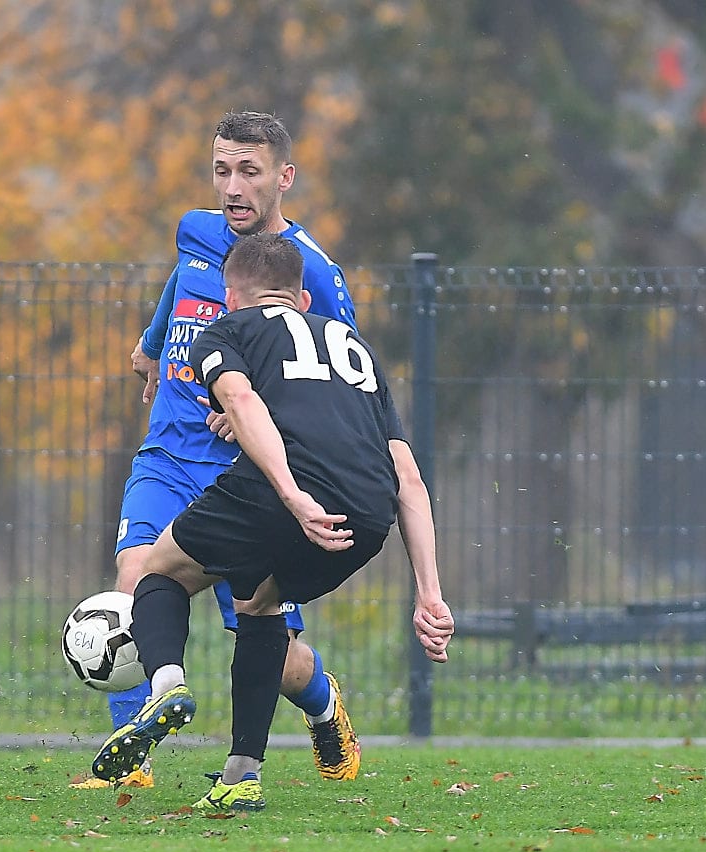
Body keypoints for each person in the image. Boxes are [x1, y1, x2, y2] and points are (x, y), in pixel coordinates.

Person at [88, 233, 454, 811]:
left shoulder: (226, 330)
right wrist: (429, 592)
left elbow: (241, 400)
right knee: (260, 603)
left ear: (231, 298)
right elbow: (407, 475)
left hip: (288, 497)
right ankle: (241, 774)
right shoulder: (354, 348)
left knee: (159, 572)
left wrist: (292, 495)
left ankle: (166, 687)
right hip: (365, 518)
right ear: (302, 299)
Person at [72, 110, 364, 790]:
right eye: (222, 170)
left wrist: (260, 417)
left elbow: (336, 373)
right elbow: (183, 280)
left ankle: (323, 703)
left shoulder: (314, 272)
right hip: (169, 455)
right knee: (135, 583)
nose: (233, 187)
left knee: (273, 649)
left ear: (284, 178)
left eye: (249, 172)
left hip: (244, 477)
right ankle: (131, 763)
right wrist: (153, 344)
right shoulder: (197, 231)